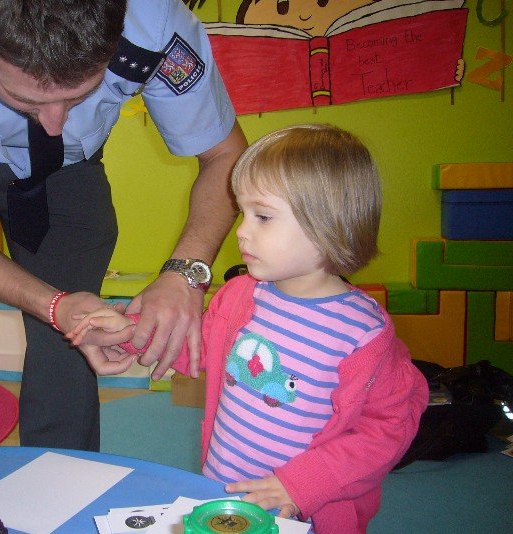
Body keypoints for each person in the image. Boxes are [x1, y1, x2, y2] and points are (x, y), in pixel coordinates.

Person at [0, 0, 247, 453]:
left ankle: (62, 483)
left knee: (72, 354)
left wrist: (186, 274)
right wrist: (53, 305)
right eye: (27, 98)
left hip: (70, 170)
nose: (55, 123)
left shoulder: (154, 20)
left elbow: (225, 155)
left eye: (80, 95)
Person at [67, 124, 429, 533]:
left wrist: (301, 484)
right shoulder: (241, 297)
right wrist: (130, 330)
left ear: (328, 222)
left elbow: (388, 427)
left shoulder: (363, 333)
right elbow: (195, 344)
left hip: (304, 511)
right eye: (242, 213)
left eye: (264, 217)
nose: (241, 231)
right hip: (224, 488)